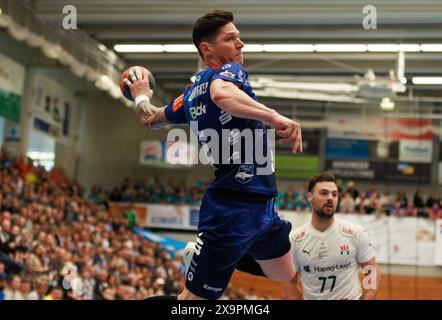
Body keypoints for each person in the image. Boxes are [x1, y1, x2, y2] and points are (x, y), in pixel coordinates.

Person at [124, 10, 302, 300]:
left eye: (239, 37)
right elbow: (221, 94)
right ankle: (207, 258)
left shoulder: (192, 92)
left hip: (263, 206)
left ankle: (215, 257)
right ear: (207, 49)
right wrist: (274, 117)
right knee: (192, 303)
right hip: (230, 211)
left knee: (284, 272)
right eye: (231, 39)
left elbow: (152, 119)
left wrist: (141, 96)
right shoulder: (228, 73)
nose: (241, 44)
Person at [284, 172, 380, 300]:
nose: (330, 198)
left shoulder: (356, 233)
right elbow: (289, 282)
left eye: (334, 194)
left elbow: (372, 271)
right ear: (310, 197)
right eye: (324, 193)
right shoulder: (295, 239)